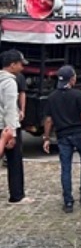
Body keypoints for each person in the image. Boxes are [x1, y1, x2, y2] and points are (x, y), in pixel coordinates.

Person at [43, 65, 81, 213]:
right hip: (79, 133)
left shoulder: (52, 97)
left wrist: (47, 137)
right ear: (72, 79)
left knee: (66, 168)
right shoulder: (78, 95)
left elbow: (48, 120)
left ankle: (68, 201)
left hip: (62, 135)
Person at [0, 50, 30, 204]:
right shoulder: (10, 82)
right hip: (7, 127)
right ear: (12, 65)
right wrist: (12, 133)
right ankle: (17, 195)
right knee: (15, 161)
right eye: (19, 64)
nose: (22, 67)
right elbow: (10, 108)